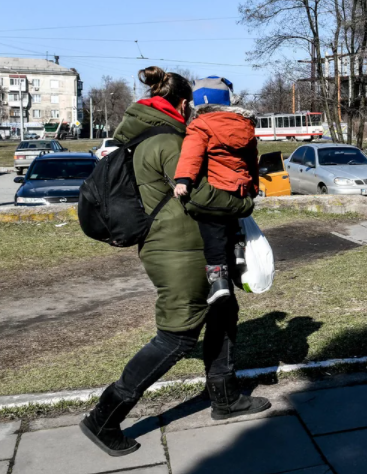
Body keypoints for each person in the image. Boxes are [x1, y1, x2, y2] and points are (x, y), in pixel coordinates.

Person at [79, 67, 270, 458]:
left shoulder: (148, 134)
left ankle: (225, 396)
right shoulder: (167, 140)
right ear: (184, 104)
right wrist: (245, 203)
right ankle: (105, 416)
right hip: (177, 252)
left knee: (223, 311)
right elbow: (200, 197)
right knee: (177, 336)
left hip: (191, 247)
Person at [172, 76, 257, 304]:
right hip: (239, 191)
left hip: (216, 188)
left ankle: (218, 282)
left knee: (212, 232)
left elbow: (192, 154)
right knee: (233, 220)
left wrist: (183, 180)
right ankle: (239, 250)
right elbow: (252, 161)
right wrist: (253, 187)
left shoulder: (200, 125)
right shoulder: (245, 125)